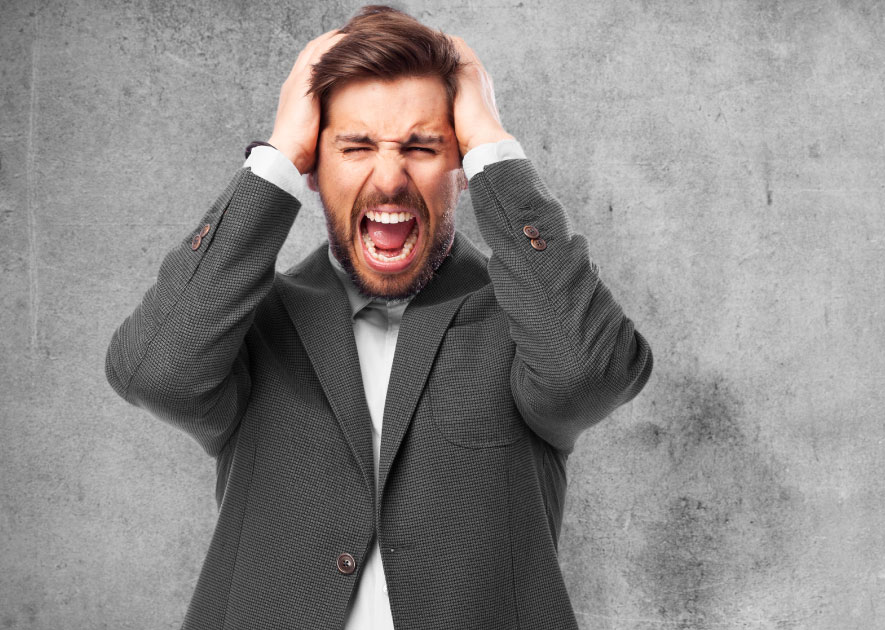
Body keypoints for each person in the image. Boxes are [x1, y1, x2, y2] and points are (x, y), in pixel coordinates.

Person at [104, 6, 653, 629]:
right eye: (356, 146)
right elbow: (153, 372)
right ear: (314, 169)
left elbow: (591, 374)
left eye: (422, 146)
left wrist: (494, 148)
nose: (389, 179)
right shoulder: (250, 325)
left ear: (461, 168)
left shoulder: (527, 324)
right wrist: (277, 155)